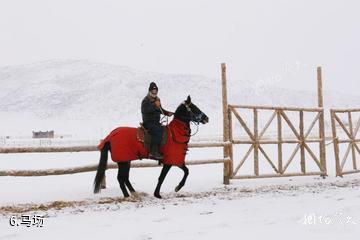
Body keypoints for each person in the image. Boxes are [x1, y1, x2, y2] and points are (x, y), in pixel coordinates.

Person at [141, 82, 173, 159]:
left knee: (165, 130)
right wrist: (154, 105)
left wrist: (167, 113)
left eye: (156, 91)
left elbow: (160, 110)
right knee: (158, 131)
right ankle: (153, 152)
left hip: (156, 122)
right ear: (150, 91)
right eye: (153, 91)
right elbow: (145, 110)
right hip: (148, 122)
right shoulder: (146, 100)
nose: (154, 92)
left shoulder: (157, 99)